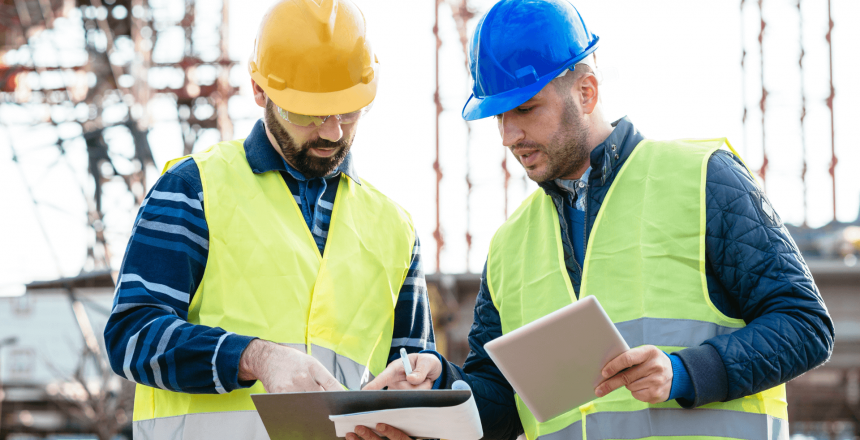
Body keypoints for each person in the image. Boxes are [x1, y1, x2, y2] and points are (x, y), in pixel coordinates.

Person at [356, 1, 834, 439]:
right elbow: (501, 402)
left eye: (525, 108)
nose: (508, 135)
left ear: (586, 92)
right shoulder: (509, 245)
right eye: (498, 116)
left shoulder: (703, 178)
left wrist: (686, 372)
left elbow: (806, 324)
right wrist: (442, 386)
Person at [103, 1, 435, 438]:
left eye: (348, 111)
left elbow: (413, 371)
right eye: (308, 112)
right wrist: (256, 357)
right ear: (259, 91)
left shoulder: (396, 228)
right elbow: (132, 334)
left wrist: (416, 391)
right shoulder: (194, 188)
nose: (332, 132)